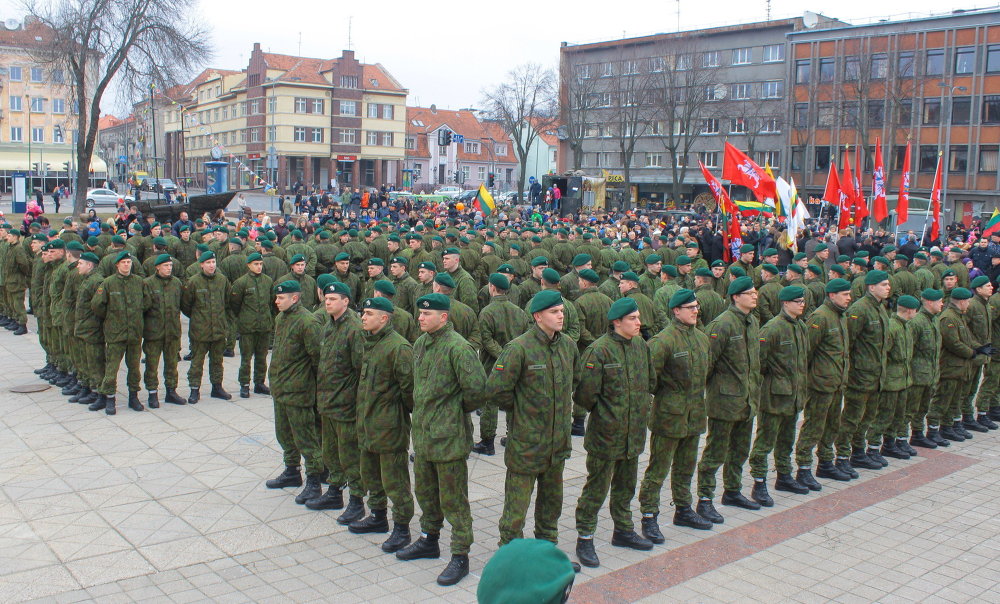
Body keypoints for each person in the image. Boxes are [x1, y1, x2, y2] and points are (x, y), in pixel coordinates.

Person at [395, 293, 485, 586]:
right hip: (423, 436)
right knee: (426, 492)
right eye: (420, 314)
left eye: (426, 314)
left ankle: (460, 555)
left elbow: (476, 390)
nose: (420, 318)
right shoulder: (421, 344)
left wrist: (451, 413)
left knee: (454, 500)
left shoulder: (459, 348)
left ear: (443, 317)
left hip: (449, 439)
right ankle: (428, 539)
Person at [487, 290, 580, 552]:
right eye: (554, 312)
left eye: (561, 311)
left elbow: (575, 382)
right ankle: (509, 559)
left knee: (551, 507)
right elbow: (496, 390)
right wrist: (522, 412)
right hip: (527, 445)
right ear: (538, 316)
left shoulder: (568, 346)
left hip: (556, 445)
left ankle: (546, 555)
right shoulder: (519, 348)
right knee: (516, 511)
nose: (561, 315)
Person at [573, 297, 655, 568]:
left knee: (626, 487)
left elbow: (650, 382)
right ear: (616, 322)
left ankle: (623, 530)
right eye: (633, 318)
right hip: (606, 435)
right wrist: (609, 414)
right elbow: (585, 395)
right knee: (596, 489)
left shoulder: (641, 347)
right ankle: (585, 537)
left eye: (638, 318)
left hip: (633, 433)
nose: (638, 323)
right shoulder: (599, 351)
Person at [639, 288, 714, 543]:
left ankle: (683, 509)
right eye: (690, 307)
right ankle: (649, 516)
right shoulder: (663, 341)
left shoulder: (702, 339)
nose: (696, 311)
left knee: (686, 466)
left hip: (694, 414)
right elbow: (648, 380)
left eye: (696, 307)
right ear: (676, 311)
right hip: (669, 416)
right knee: (657, 469)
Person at [348, 297, 416, 556]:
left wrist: (398, 417)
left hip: (389, 427)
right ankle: (377, 515)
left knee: (395, 481)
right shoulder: (370, 342)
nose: (363, 317)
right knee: (371, 475)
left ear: (384, 318)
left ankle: (401, 527)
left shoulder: (399, 348)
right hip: (368, 423)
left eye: (368, 313)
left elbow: (409, 391)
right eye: (363, 313)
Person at [696, 276, 762, 523]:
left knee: (740, 449)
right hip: (724, 401)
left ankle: (732, 491)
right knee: (715, 452)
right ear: (736, 297)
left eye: (755, 292)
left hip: (746, 399)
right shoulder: (721, 325)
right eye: (750, 293)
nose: (755, 295)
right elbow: (706, 365)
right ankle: (704, 499)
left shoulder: (752, 322)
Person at [306, 282, 364, 523]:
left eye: (333, 299)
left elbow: (361, 369)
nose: (327, 302)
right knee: (330, 453)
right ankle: (334, 492)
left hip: (345, 405)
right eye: (326, 299)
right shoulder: (329, 325)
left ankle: (357, 501)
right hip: (327, 402)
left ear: (346, 301)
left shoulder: (354, 329)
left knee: (350, 456)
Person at [748, 286, 810, 506]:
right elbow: (759, 363)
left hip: (793, 395)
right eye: (797, 301)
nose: (801, 304)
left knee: (786, 439)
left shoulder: (801, 327)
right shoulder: (772, 329)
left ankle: (784, 476)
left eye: (802, 301)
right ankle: (759, 483)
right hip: (774, 396)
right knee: (764, 443)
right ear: (785, 303)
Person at [265, 280, 324, 504]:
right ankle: (291, 471)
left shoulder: (308, 322)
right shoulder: (281, 318)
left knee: (306, 438)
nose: (276, 301)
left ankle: (314, 481)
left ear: (295, 298)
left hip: (299, 391)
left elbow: (318, 359)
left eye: (281, 298)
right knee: (284, 434)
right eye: (276, 297)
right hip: (281, 388)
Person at [836, 270, 891, 474]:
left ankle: (858, 452)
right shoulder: (859, 309)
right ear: (871, 286)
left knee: (867, 417)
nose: (888, 288)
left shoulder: (880, 308)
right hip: (859, 376)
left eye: (888, 284)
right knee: (851, 418)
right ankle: (842, 456)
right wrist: (849, 373)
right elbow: (847, 344)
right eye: (884, 284)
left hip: (876, 375)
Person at [90, 251, 145, 414]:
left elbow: (147, 302)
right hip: (115, 333)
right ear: (117, 265)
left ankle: (133, 396)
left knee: (134, 367)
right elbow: (97, 305)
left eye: (129, 262)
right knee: (112, 367)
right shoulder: (108, 283)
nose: (127, 265)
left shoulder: (139, 282)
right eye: (124, 262)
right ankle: (109, 398)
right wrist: (111, 318)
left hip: (134, 333)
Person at [181, 251, 232, 404]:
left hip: (218, 329)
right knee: (197, 362)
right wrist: (198, 318)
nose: (211, 265)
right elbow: (186, 305)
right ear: (201, 264)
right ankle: (194, 389)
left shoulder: (222, 280)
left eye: (213, 262)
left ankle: (217, 387)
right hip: (200, 330)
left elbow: (228, 301)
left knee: (217, 361)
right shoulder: (193, 282)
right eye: (208, 262)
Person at [229, 252, 274, 398]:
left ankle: (259, 383)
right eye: (256, 264)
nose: (259, 267)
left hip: (264, 325)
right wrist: (243, 318)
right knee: (246, 357)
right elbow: (235, 305)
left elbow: (272, 303)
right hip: (247, 326)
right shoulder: (241, 283)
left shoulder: (267, 281)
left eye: (260, 264)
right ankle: (244, 384)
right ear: (249, 265)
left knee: (262, 356)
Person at [142, 254, 184, 408]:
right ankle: (152, 393)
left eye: (170, 266)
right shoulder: (147, 284)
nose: (169, 268)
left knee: (172, 364)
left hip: (172, 331)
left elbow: (183, 304)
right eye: (166, 266)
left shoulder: (176, 283)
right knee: (152, 365)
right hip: (154, 332)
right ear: (157, 267)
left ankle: (171, 392)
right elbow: (143, 308)